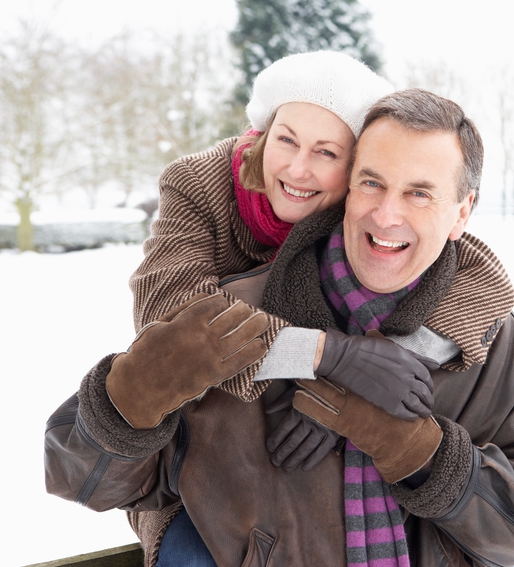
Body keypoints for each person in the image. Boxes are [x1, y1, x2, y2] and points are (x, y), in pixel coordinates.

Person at [45, 88, 514, 567]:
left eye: (419, 193)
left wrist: (421, 453)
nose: (387, 214)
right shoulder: (234, 316)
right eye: (372, 182)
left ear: (462, 212)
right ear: (348, 186)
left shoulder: (491, 340)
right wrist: (130, 398)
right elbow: (83, 478)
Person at [117, 49, 416, 565]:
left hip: (311, 473)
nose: (298, 168)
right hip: (202, 460)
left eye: (326, 152)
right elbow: (170, 321)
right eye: (287, 140)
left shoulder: (364, 205)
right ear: (264, 129)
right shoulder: (198, 185)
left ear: (356, 168)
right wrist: (326, 358)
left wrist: (346, 399)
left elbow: (473, 274)